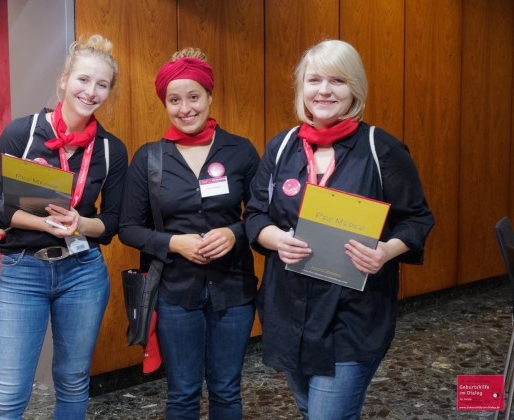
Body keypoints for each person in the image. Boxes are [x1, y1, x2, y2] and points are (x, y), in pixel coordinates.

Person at [243, 39, 434, 419]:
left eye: (338, 81)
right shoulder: (281, 147)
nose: (325, 90)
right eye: (315, 80)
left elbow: (417, 218)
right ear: (302, 88)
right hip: (289, 310)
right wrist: (276, 239)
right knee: (309, 410)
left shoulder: (381, 149)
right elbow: (255, 215)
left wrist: (385, 251)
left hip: (353, 315)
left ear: (355, 89)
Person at [0, 34, 127, 419]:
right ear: (64, 80)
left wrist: (81, 223)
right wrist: (44, 223)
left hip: (83, 272)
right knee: (7, 395)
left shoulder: (111, 150)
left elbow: (112, 222)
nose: (91, 92)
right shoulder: (23, 133)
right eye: (83, 79)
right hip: (23, 271)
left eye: (102, 84)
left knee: (73, 381)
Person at [118, 47, 260, 419]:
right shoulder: (149, 158)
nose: (185, 109)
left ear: (209, 97)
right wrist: (172, 243)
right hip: (175, 293)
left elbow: (263, 216)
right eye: (174, 100)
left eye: (194, 97)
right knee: (182, 394)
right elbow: (128, 228)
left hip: (234, 289)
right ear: (164, 104)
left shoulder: (241, 151)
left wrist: (234, 233)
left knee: (226, 390)